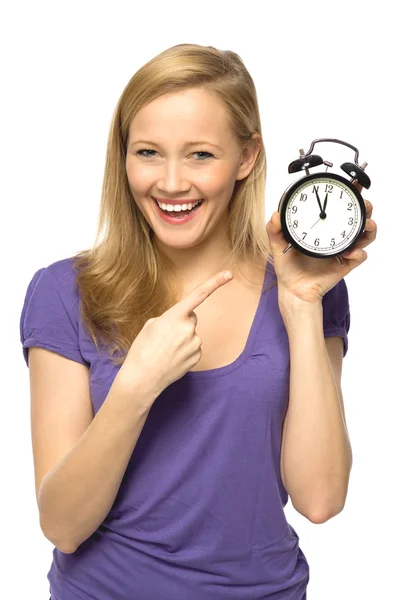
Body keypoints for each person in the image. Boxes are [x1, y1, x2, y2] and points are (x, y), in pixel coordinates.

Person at [19, 43, 377, 600]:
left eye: (201, 155)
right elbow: (62, 525)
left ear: (248, 157)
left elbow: (321, 499)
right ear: (124, 158)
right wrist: (136, 385)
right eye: (148, 153)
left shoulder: (308, 290)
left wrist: (302, 307)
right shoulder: (65, 292)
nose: (170, 182)